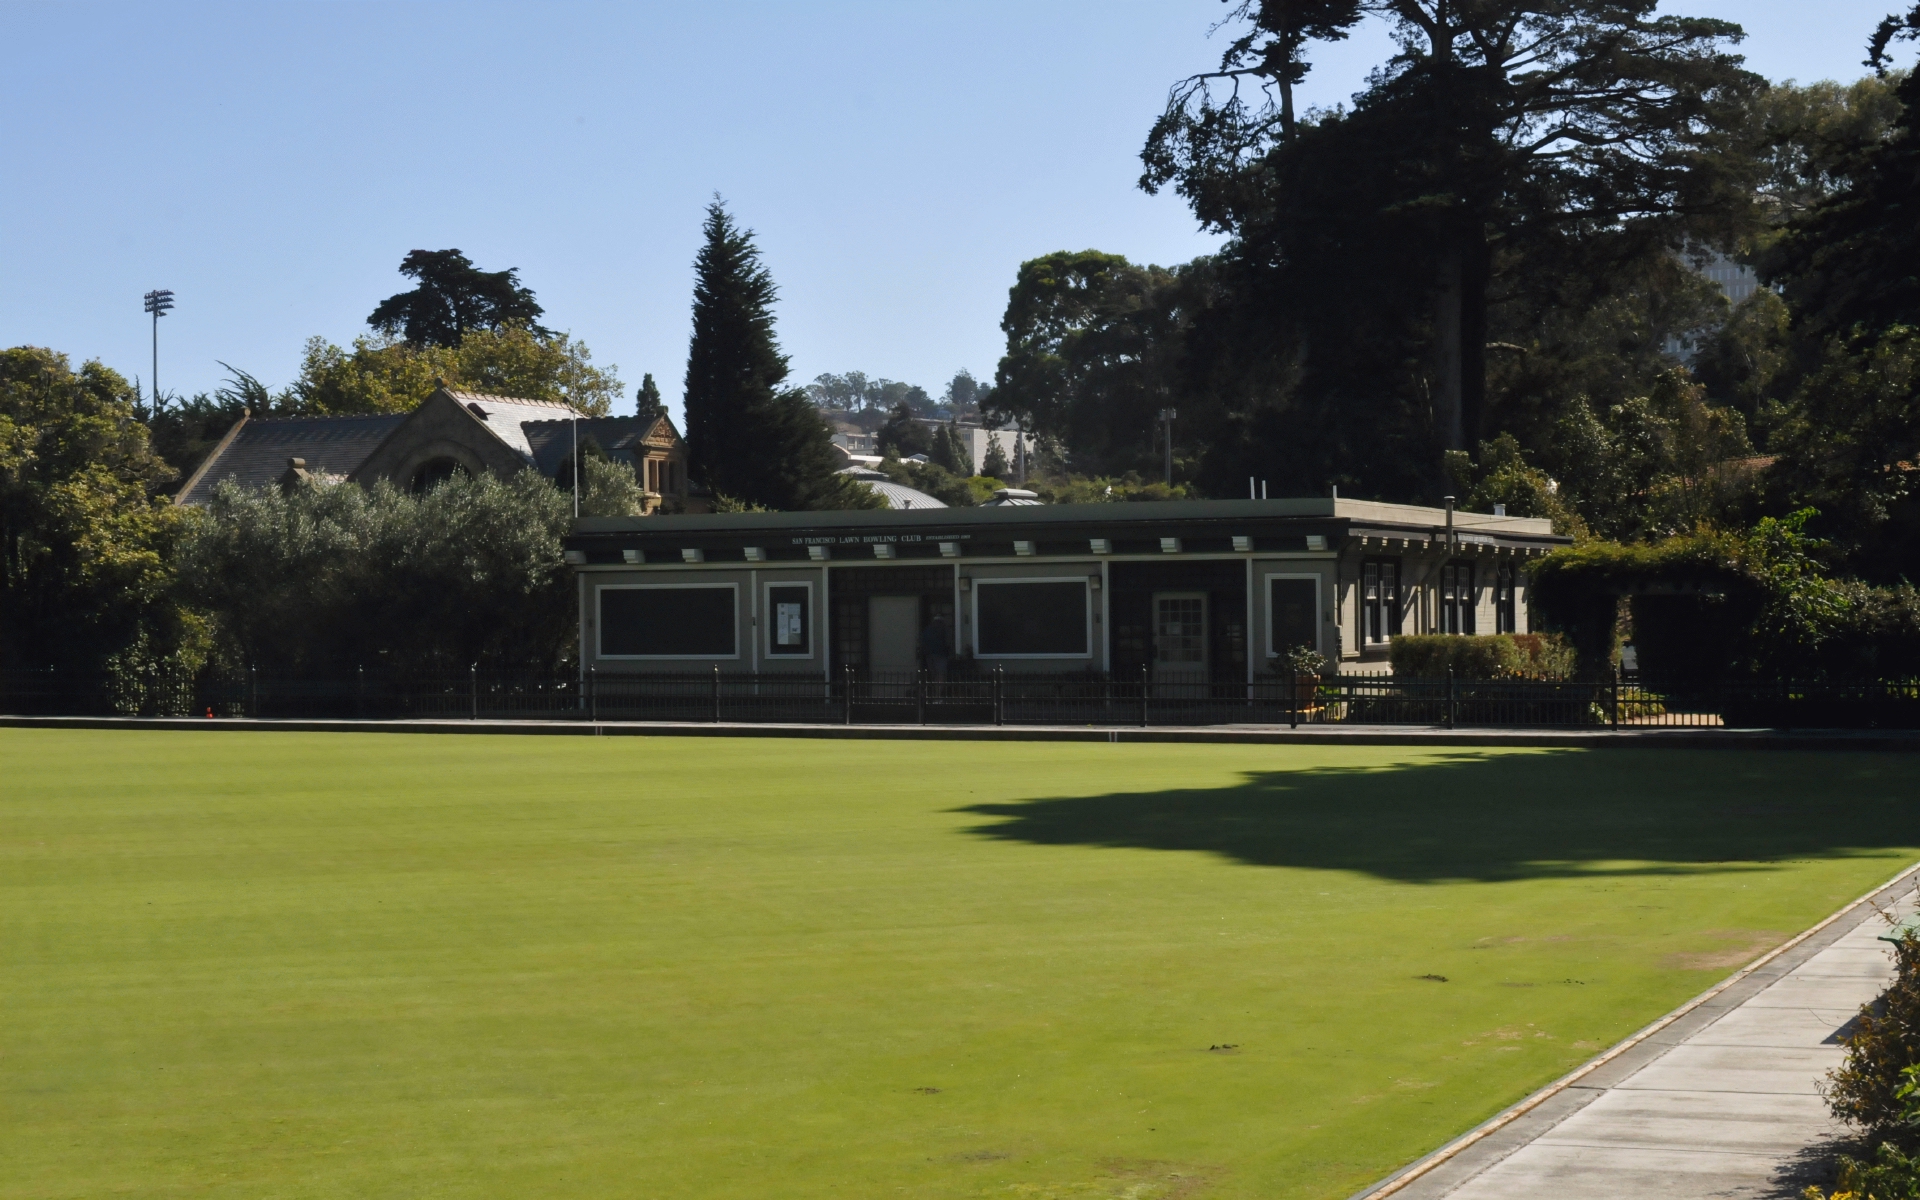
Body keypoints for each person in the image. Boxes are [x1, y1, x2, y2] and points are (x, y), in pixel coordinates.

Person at [920, 614, 951, 681]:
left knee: (933, 674)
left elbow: (923, 641)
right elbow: (948, 642)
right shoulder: (944, 628)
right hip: (941, 654)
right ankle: (938, 691)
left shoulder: (927, 629)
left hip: (929, 655)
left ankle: (933, 689)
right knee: (941, 673)